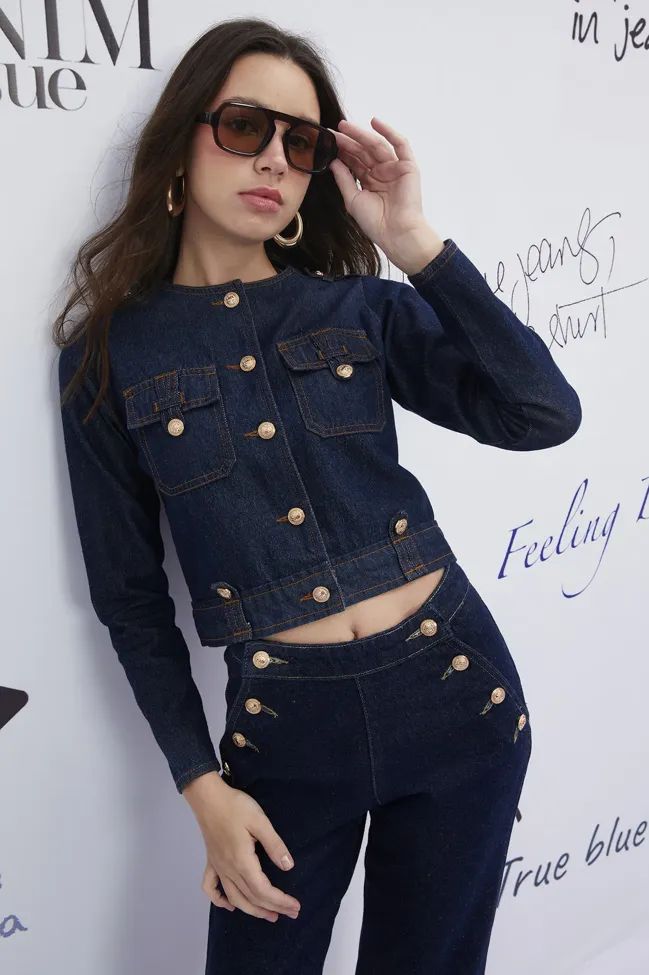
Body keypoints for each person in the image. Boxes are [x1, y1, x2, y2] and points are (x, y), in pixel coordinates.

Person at [54, 17, 581, 975]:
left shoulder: (359, 307)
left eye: (301, 143)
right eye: (244, 126)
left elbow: (540, 413)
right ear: (181, 141)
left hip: (457, 690)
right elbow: (129, 598)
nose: (274, 159)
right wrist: (201, 784)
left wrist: (411, 240)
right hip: (287, 736)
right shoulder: (109, 355)